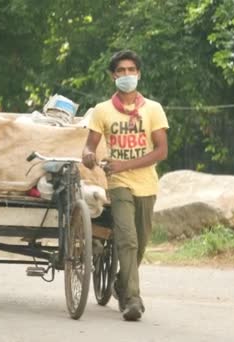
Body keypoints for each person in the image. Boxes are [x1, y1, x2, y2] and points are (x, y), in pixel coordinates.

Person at [82, 50, 169, 321]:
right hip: (117, 183)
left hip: (147, 184)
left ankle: (121, 283)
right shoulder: (102, 110)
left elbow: (161, 151)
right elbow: (90, 145)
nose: (127, 75)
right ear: (113, 76)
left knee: (141, 242)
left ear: (139, 74)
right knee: (127, 239)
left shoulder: (153, 109)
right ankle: (132, 299)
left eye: (132, 70)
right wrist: (88, 156)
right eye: (121, 71)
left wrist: (126, 164)